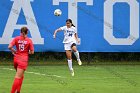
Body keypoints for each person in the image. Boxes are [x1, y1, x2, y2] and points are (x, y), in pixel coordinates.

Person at [8, 27, 34, 93]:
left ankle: (18, 91)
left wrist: (14, 51)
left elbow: (9, 47)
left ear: (21, 32)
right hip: (23, 60)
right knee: (18, 77)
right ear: (27, 32)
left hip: (16, 59)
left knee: (21, 76)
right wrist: (27, 52)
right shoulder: (29, 40)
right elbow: (32, 52)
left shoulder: (16, 38)